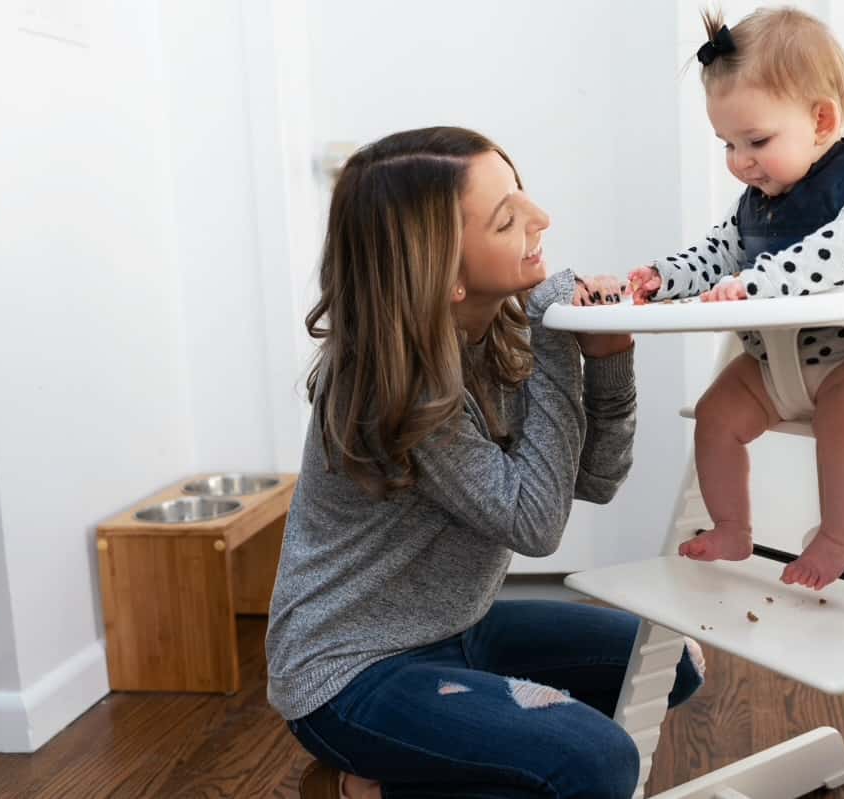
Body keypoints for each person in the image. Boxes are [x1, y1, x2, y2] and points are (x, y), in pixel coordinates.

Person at [264, 126, 703, 799]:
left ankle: (392, 779)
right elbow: (534, 525)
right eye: (507, 218)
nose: (540, 219)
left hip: (458, 627)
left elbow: (594, 480)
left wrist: (608, 359)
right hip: (352, 674)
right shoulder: (389, 382)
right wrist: (556, 342)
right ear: (442, 273)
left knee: (674, 664)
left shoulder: (496, 330)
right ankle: (362, 785)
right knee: (598, 764)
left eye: (521, 195)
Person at [625, 7, 844, 590]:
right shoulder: (757, 200)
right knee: (715, 414)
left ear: (822, 122)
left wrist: (761, 282)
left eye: (757, 141)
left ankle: (838, 537)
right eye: (727, 144)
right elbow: (718, 253)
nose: (740, 162)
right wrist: (665, 277)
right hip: (776, 364)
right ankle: (732, 526)